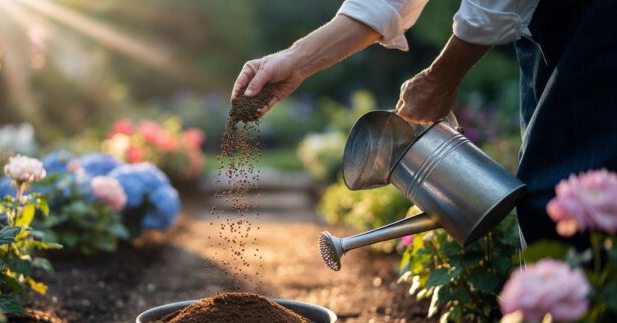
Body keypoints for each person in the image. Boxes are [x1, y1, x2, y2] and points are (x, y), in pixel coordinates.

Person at [232, 0, 617, 246]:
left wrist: (442, 76)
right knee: (552, 203)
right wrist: (296, 60)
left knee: (569, 203)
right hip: (544, 25)